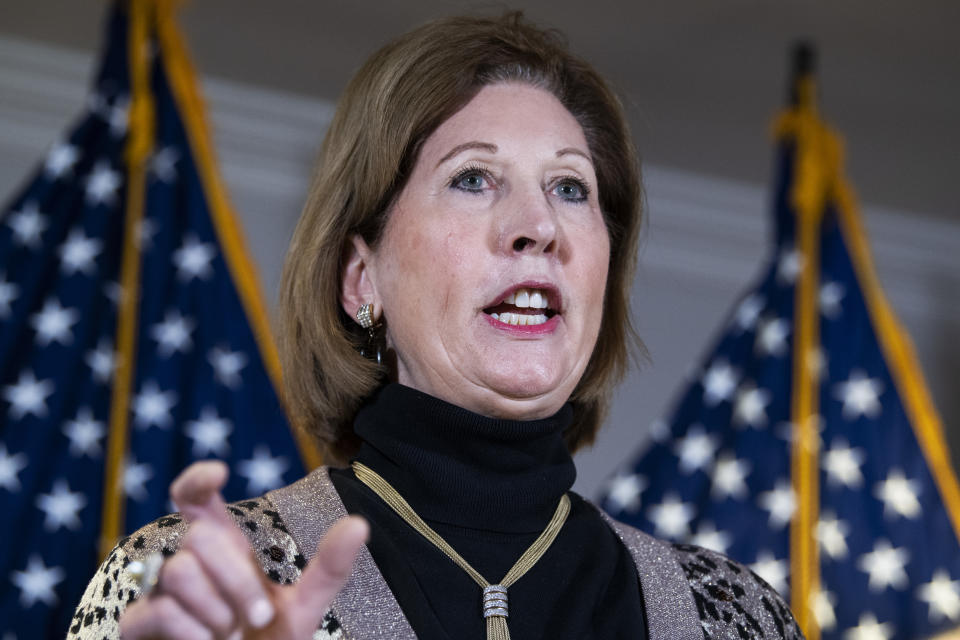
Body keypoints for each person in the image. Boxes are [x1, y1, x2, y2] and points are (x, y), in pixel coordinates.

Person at [70, 13, 804, 640]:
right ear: (363, 279)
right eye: (473, 179)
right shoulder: (191, 585)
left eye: (570, 188)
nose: (539, 226)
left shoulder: (737, 617)